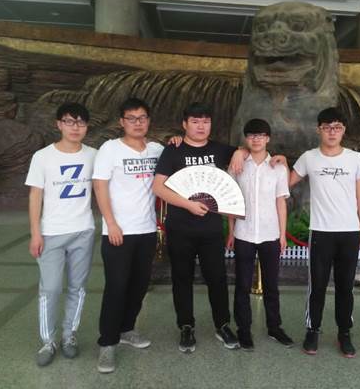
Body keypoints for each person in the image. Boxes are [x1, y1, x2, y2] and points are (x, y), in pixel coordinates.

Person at [153, 102, 285, 354]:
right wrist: (188, 204)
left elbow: (253, 150)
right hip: (180, 227)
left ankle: (222, 325)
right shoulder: (173, 150)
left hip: (211, 230)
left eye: (205, 121)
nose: (201, 126)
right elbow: (158, 187)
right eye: (195, 121)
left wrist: (239, 152)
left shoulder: (219, 149)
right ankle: (186, 326)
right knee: (182, 278)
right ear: (184, 124)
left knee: (217, 278)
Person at [290, 107, 360, 357]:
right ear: (319, 130)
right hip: (321, 231)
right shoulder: (309, 157)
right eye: (327, 127)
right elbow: (285, 183)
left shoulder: (355, 158)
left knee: (345, 286)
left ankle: (344, 332)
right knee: (317, 285)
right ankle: (312, 330)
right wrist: (280, 160)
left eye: (337, 127)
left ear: (343, 130)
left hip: (350, 231)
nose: (332, 132)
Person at [93, 98, 164, 373]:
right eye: (132, 118)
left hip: (146, 230)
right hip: (118, 232)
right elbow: (100, 187)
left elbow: (176, 162)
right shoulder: (110, 149)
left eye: (142, 118)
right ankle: (107, 343)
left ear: (149, 120)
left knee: (139, 285)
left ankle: (127, 329)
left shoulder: (156, 150)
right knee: (116, 287)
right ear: (122, 122)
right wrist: (110, 223)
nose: (138, 123)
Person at [26, 102, 96, 367]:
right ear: (59, 124)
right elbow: (35, 196)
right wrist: (35, 233)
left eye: (80, 122)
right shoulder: (43, 157)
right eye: (69, 121)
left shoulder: (94, 155)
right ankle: (48, 340)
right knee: (51, 288)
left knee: (78, 287)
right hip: (51, 232)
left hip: (83, 230)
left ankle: (69, 336)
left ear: (87, 126)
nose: (75, 127)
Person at [226, 118, 294, 351]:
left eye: (261, 135)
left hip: (270, 234)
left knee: (272, 285)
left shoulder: (278, 168)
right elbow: (230, 200)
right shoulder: (237, 165)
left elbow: (281, 203)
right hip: (244, 233)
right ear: (246, 139)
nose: (256, 139)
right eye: (252, 135)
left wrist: (282, 235)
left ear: (268, 139)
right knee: (242, 285)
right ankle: (243, 330)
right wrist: (231, 231)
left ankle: (274, 327)